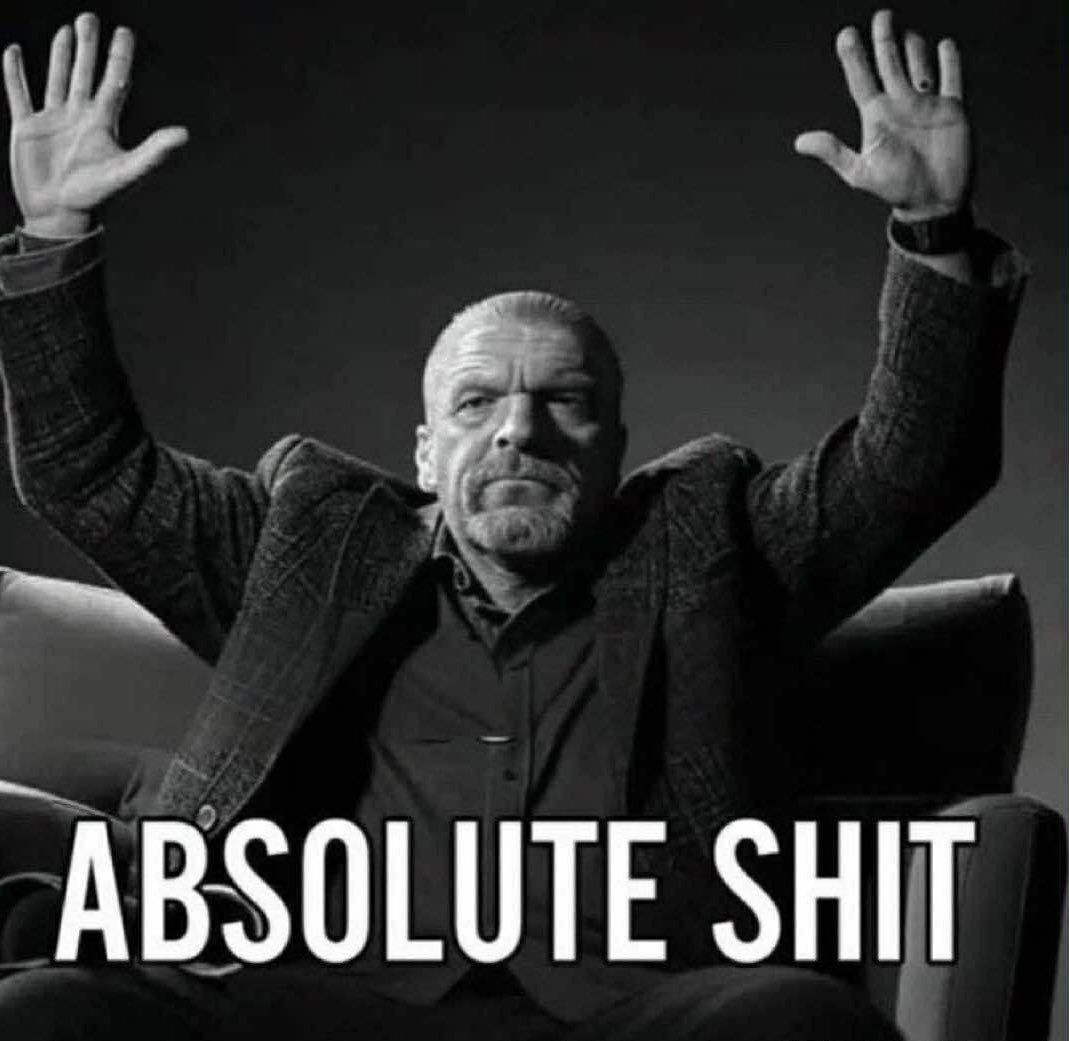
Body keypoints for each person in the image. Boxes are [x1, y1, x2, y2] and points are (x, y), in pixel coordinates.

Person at [0, 8, 1026, 1041]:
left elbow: (910, 471)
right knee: (47, 1010)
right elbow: (88, 474)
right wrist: (53, 235)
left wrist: (931, 231)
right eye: (477, 401)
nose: (517, 431)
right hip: (323, 998)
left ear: (617, 446)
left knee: (799, 1017)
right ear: (424, 452)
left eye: (562, 401)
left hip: (632, 1007)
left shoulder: (711, 544)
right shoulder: (304, 540)